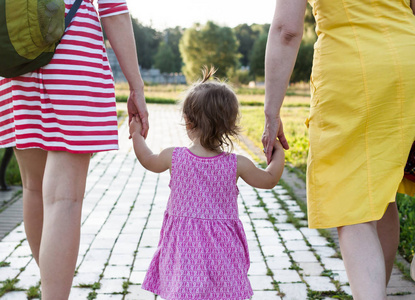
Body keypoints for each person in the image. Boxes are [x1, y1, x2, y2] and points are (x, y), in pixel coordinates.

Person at [261, 0, 415, 299]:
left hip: (353, 71)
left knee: (351, 202)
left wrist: (271, 111)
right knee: (379, 194)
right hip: (409, 56)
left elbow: (287, 30)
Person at [0, 0, 148, 299]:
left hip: (19, 50)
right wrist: (136, 87)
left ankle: (53, 287)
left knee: (34, 189)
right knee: (63, 199)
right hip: (72, 48)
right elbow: (113, 10)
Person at [129, 67, 285, 300]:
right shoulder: (237, 164)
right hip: (222, 248)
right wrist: (278, 149)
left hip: (184, 248)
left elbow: (148, 160)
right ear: (229, 125)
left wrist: (137, 136)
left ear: (188, 122)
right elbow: (270, 179)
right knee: (222, 293)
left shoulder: (174, 157)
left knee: (183, 291)